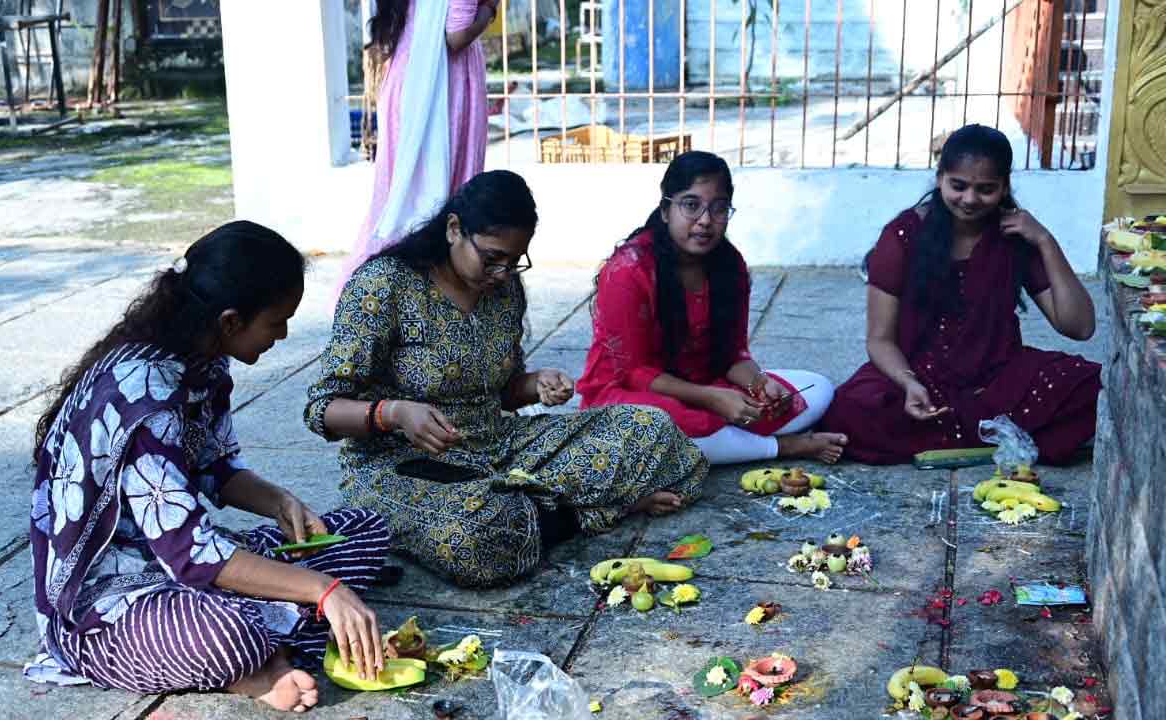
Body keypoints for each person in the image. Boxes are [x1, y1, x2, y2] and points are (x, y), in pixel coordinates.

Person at [27, 222, 391, 714]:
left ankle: (276, 638)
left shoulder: (205, 363)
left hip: (176, 560)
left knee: (365, 531)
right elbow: (193, 557)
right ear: (230, 321)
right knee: (230, 633)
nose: (282, 335)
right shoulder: (145, 396)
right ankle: (254, 663)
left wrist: (280, 502)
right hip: (107, 603)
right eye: (276, 321)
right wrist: (323, 590)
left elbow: (216, 468)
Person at [306, 170, 707, 588]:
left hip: (500, 445)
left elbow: (505, 390)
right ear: (454, 229)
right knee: (476, 532)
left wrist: (536, 384)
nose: (502, 273)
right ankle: (593, 510)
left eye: (514, 261)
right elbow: (322, 409)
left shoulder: (504, 290)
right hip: (402, 462)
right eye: (492, 258)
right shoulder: (384, 285)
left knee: (651, 429)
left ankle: (539, 513)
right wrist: (394, 413)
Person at [820, 124, 1100, 464]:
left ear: (1005, 187)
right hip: (919, 380)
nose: (969, 200)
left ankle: (976, 436)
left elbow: (1079, 327)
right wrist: (909, 384)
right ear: (940, 179)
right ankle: (999, 436)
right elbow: (880, 340)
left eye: (985, 189)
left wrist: (1045, 241)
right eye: (959, 186)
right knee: (849, 410)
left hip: (999, 381)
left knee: (1091, 388)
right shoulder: (903, 235)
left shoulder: (1014, 236)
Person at [577, 151, 847, 465]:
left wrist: (758, 383)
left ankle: (731, 438)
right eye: (691, 205)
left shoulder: (730, 265)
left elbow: (731, 355)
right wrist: (712, 399)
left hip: (706, 383)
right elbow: (635, 373)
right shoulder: (628, 270)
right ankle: (784, 447)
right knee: (656, 429)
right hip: (631, 394)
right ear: (666, 210)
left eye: (718, 209)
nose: (705, 221)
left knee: (818, 392)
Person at [338, 0, 497, 291]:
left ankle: (370, 292)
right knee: (439, 201)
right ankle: (426, 296)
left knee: (396, 198)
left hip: (408, 80)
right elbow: (457, 36)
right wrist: (489, 9)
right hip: (444, 92)